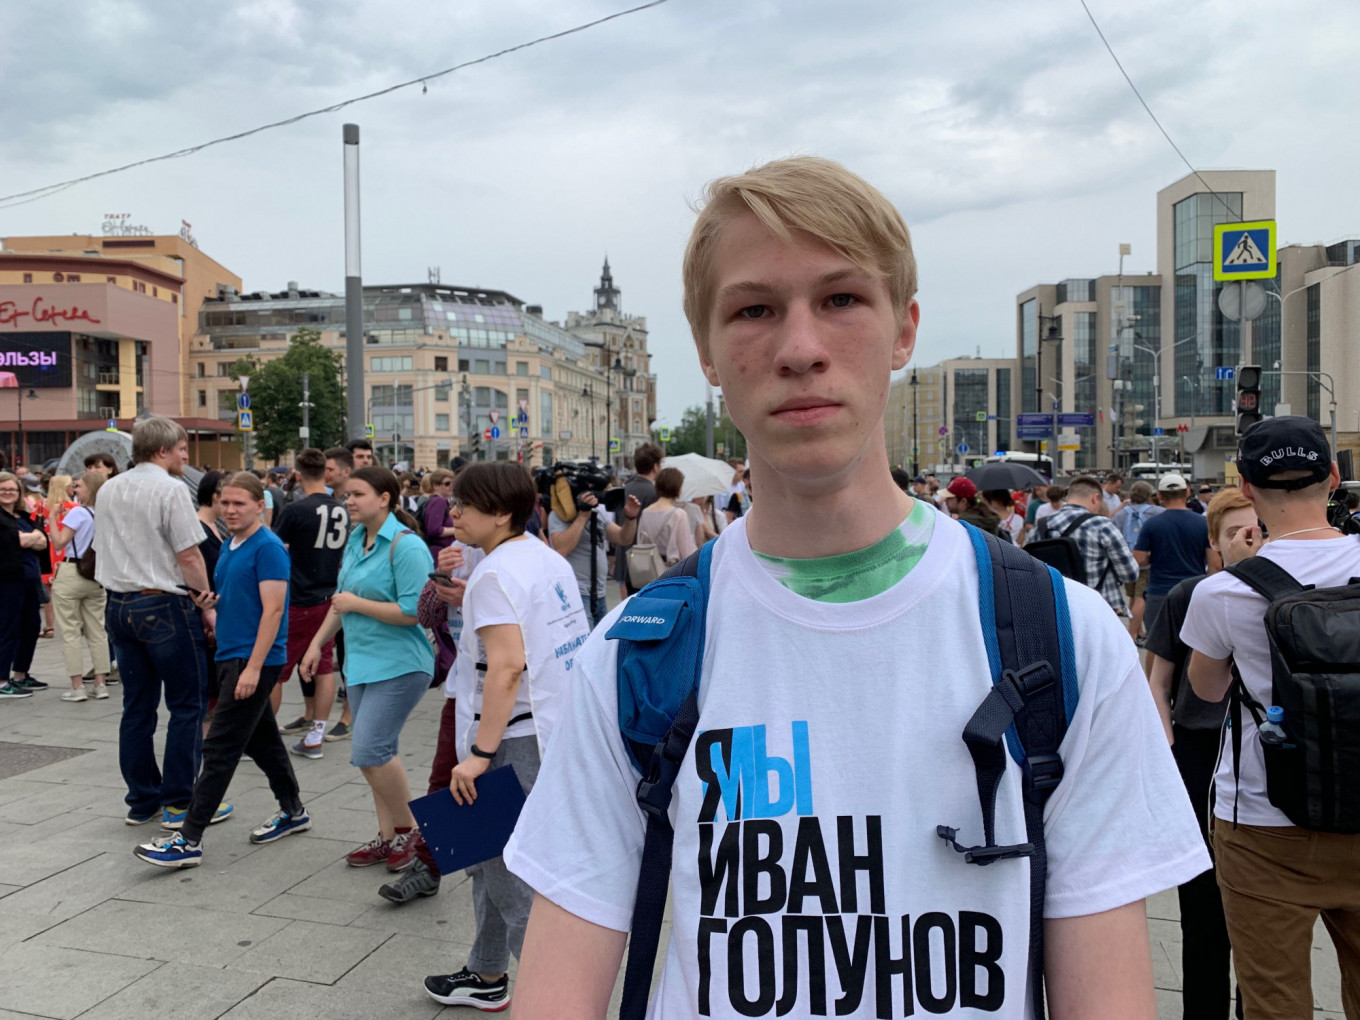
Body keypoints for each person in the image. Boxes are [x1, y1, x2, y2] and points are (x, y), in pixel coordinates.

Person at [502, 156, 1207, 1018]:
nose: (800, 348)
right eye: (754, 309)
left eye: (841, 299)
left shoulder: (1062, 638)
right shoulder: (637, 658)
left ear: (904, 329)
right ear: (709, 353)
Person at [1182, 416, 1360, 1020]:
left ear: (1248, 490)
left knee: (1274, 1000)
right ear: (1334, 477)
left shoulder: (1225, 593)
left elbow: (1205, 692)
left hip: (1264, 820)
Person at [422, 462, 591, 1011]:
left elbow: (506, 668)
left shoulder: (496, 575)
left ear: (499, 513)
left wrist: (477, 755)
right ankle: (486, 971)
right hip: (549, 728)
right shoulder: (541, 557)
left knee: (510, 876)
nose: (453, 513)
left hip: (510, 738)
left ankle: (558, 1002)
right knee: (485, 855)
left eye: (464, 505)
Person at [133, 472, 310, 868]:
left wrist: (254, 668)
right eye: (225, 503)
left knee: (219, 747)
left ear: (259, 506)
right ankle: (294, 811)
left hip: (252, 660)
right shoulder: (231, 544)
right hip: (231, 654)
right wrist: (211, 605)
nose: (230, 510)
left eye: (239, 504)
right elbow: (243, 598)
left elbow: (275, 609)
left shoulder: (268, 548)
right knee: (262, 742)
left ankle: (189, 839)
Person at [1144, 487, 1255, 1020]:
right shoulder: (1190, 595)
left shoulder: (1290, 596)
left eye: (1256, 528)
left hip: (1262, 752)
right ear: (1213, 542)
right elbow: (1157, 679)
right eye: (1233, 531)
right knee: (1202, 902)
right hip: (1199, 750)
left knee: (1257, 911)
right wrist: (1166, 744)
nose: (1247, 538)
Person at [299, 466, 433, 877]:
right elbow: (341, 602)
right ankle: (387, 834)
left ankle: (411, 832)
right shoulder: (357, 539)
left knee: (370, 751)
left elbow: (415, 612)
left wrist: (358, 605)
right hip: (360, 663)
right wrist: (316, 643)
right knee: (378, 755)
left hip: (400, 664)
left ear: (385, 498)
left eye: (357, 494)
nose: (349, 501)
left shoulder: (407, 547)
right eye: (347, 494)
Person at [96, 417, 221, 827]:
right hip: (162, 604)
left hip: (117, 604)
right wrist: (206, 603)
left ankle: (141, 799)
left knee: (137, 707)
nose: (186, 456)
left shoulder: (110, 487)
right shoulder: (170, 489)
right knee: (187, 705)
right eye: (182, 449)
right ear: (162, 450)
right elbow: (189, 555)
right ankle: (179, 802)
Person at [271, 448, 347, 758]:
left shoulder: (296, 509)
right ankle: (316, 734)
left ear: (298, 475)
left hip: (299, 598)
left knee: (276, 668)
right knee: (325, 666)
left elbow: (275, 548)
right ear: (326, 473)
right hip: (329, 598)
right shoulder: (342, 508)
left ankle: (263, 735)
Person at [1034, 476, 1139, 615]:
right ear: (1095, 498)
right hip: (1096, 608)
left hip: (1054, 608)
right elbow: (1130, 574)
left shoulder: (1041, 526)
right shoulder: (1102, 525)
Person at [49, 471, 111, 702]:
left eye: (79, 486)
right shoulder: (105, 514)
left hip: (71, 571)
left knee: (70, 631)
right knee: (97, 631)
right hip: (96, 575)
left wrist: (52, 519)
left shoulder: (78, 513)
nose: (76, 490)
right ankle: (101, 683)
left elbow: (59, 542)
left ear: (90, 488)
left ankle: (77, 687)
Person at [1132, 473, 1212, 639]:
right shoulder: (1203, 523)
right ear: (1187, 493)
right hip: (1193, 591)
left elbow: (1138, 559)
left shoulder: (1152, 524)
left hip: (1160, 591)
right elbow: (1215, 565)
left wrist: (1153, 557)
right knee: (1194, 644)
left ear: (1160, 495)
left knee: (1157, 644)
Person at [548, 486, 640, 628]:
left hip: (599, 594)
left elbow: (623, 538)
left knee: (599, 645)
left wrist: (631, 518)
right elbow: (561, 549)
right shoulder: (558, 515)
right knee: (585, 646)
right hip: (576, 594)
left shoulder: (596, 513)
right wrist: (583, 515)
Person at [0, 471, 48, 700]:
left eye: (12, 489)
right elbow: (17, 541)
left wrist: (29, 539)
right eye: (4, 489)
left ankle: (20, 674)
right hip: (8, 579)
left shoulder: (22, 516)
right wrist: (31, 538)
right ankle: (1, 680)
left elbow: (42, 542)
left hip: (29, 578)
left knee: (31, 626)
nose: (8, 493)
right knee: (8, 629)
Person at [1112, 480, 1163, 643]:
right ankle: (1131, 634)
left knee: (1133, 596)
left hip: (1127, 561)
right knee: (1142, 597)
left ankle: (1138, 629)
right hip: (1146, 560)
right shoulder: (1157, 512)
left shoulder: (1121, 514)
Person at [617, 443, 662, 595]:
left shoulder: (624, 488)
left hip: (624, 555)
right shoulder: (655, 493)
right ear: (655, 467)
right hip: (646, 560)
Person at [635, 466, 698, 571]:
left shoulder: (645, 512)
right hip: (670, 571)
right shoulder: (678, 514)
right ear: (677, 487)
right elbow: (686, 552)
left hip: (649, 571)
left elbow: (640, 543)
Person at [421, 468, 458, 554]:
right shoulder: (438, 501)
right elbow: (434, 530)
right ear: (435, 486)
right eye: (447, 484)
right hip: (440, 551)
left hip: (441, 550)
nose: (451, 486)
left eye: (453, 483)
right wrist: (457, 530)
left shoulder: (435, 501)